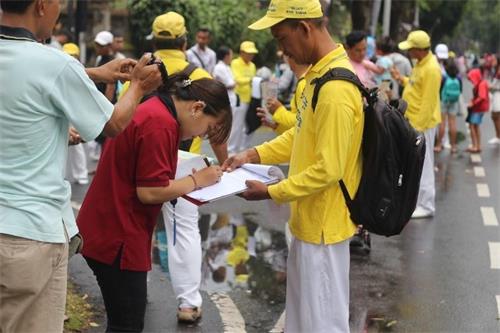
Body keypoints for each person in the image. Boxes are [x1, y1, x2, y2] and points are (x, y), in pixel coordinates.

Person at [0, 0, 162, 331]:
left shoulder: (52, 66)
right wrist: (138, 87)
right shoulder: (54, 64)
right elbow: (114, 123)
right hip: (28, 235)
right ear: (42, 5)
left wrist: (90, 73)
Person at [224, 1, 365, 331]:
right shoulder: (315, 79)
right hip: (309, 222)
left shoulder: (335, 89)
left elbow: (328, 168)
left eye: (281, 38)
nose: (280, 47)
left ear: (305, 29)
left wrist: (272, 191)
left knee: (323, 324)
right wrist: (251, 155)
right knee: (303, 322)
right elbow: (299, 138)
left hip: (324, 230)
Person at [77, 72, 232, 333]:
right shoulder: (160, 124)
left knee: (124, 321)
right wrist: (198, 181)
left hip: (111, 227)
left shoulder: (158, 111)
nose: (203, 137)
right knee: (126, 325)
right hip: (118, 235)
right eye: (207, 129)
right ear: (197, 108)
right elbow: (149, 191)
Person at [122, 11, 229, 323]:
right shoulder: (197, 75)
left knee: (140, 224)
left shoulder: (142, 70)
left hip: (140, 158)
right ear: (185, 40)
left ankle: (135, 290)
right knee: (184, 231)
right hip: (186, 167)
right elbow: (214, 128)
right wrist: (224, 163)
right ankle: (187, 303)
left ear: (153, 40)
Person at [391, 30, 442, 219]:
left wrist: (418, 129)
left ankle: (427, 205)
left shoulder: (431, 69)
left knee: (425, 163)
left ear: (419, 50)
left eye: (411, 49)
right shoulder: (421, 63)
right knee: (418, 161)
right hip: (415, 121)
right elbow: (415, 85)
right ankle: (419, 201)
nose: (409, 52)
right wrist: (401, 79)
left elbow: (428, 103)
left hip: (423, 124)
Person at [257, 55, 309, 135]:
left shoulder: (304, 83)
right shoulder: (305, 80)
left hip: (286, 104)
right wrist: (276, 126)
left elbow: (302, 125)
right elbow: (296, 130)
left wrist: (278, 111)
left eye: (286, 52)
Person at [62, 42, 90, 184]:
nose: (70, 58)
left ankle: (82, 174)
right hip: (62, 110)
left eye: (73, 55)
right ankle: (68, 174)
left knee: (76, 144)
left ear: (78, 56)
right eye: (68, 55)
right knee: (63, 144)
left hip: (75, 110)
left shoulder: (81, 71)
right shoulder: (60, 69)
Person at [230, 40, 258, 154]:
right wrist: (250, 80)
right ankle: (231, 150)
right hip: (239, 99)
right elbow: (236, 79)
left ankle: (242, 150)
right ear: (241, 52)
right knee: (237, 126)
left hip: (250, 99)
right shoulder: (235, 63)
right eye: (248, 53)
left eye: (252, 53)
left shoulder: (253, 66)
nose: (251, 55)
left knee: (248, 126)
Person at [435, 60, 462, 154]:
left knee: (442, 124)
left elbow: (439, 89)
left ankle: (438, 145)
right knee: (453, 124)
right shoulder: (458, 78)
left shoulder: (444, 77)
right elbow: (460, 91)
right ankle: (453, 146)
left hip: (444, 101)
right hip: (454, 102)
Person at [466, 67, 490, 153]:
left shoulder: (481, 84)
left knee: (472, 125)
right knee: (475, 126)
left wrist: (473, 103)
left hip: (478, 109)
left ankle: (476, 146)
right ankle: (476, 145)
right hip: (478, 108)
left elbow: (481, 97)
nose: (471, 81)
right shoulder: (480, 83)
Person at [488, 62, 500, 145]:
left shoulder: (499, 73)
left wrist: (489, 86)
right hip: (495, 95)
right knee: (494, 116)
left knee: (496, 117)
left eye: (494, 60)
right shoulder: (496, 72)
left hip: (497, 95)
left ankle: (498, 137)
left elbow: (494, 86)